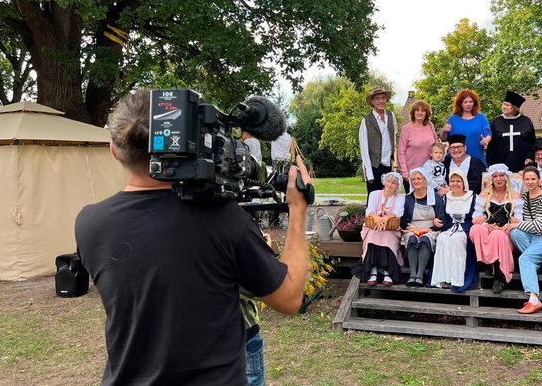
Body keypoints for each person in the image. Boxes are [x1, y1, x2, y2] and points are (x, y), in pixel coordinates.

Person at [75, 90, 311, 385]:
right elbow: (289, 299)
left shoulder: (88, 223)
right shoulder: (224, 220)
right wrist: (298, 208)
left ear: (113, 149)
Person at [508, 166, 542, 314]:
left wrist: (516, 224)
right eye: (527, 179)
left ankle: (534, 299)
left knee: (524, 259)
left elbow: (539, 226)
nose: (530, 182)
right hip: (530, 236)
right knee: (514, 233)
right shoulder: (524, 196)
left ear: (539, 179)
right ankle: (534, 263)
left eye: (533, 179)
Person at [469, 164, 522, 293]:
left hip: (506, 231)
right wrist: (487, 224)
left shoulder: (515, 196)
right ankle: (488, 261)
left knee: (497, 235)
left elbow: (519, 219)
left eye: (501, 175)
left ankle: (499, 276)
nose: (498, 179)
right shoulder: (484, 194)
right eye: (495, 176)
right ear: (491, 178)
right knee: (476, 229)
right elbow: (476, 218)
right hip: (490, 227)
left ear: (506, 177)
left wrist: (505, 224)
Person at [431, 170, 479, 291]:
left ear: (464, 183)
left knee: (457, 240)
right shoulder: (446, 197)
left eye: (458, 181)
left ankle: (457, 278)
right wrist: (436, 220)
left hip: (466, 228)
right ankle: (444, 278)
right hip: (449, 227)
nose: (455, 184)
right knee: (442, 238)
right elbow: (441, 216)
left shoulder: (472, 197)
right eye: (452, 181)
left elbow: (478, 215)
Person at [400, 168, 446, 287]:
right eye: (413, 179)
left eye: (419, 179)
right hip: (413, 228)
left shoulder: (436, 198)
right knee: (412, 239)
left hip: (431, 229)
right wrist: (409, 228)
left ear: (425, 181)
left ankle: (419, 275)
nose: (416, 181)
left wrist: (432, 227)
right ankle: (412, 275)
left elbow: (442, 220)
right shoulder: (408, 199)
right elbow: (403, 220)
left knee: (425, 240)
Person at [361, 172, 406, 286]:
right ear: (384, 182)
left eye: (393, 183)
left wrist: (386, 218)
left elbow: (398, 212)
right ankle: (373, 270)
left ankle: (388, 272)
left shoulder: (400, 197)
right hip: (373, 226)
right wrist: (377, 218)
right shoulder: (374, 194)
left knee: (386, 236)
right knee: (373, 234)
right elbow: (370, 210)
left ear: (397, 186)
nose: (390, 185)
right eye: (388, 182)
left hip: (391, 228)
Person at [359, 87, 397, 197]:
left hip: (388, 165)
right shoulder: (366, 120)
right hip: (374, 166)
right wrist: (368, 172)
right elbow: (364, 148)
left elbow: (393, 136)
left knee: (388, 197)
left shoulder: (391, 116)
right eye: (377, 98)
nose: (381, 101)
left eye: (383, 98)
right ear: (372, 101)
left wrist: (393, 161)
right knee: (374, 198)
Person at [487, 90, 536, 171]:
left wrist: (530, 157)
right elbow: (491, 146)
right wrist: (491, 164)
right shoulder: (496, 122)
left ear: (514, 107)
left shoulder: (526, 121)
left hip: (522, 164)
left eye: (507, 105)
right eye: (503, 104)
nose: (504, 107)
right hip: (500, 163)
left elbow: (532, 143)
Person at [440, 89, 491, 165]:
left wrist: (486, 140)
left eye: (471, 102)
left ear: (474, 103)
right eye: (465, 102)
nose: (468, 104)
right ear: (460, 104)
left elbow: (488, 133)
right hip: (456, 161)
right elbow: (443, 139)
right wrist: (443, 131)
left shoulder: (481, 117)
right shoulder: (452, 119)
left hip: (476, 159)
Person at [398, 100, 438, 192]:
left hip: (429, 173)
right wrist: (405, 173)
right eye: (417, 110)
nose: (420, 113)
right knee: (413, 200)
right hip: (412, 174)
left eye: (423, 111)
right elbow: (401, 152)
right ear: (413, 112)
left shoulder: (430, 125)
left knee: (430, 199)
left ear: (426, 113)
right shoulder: (406, 129)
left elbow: (436, 146)